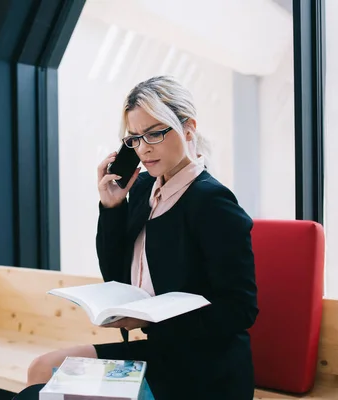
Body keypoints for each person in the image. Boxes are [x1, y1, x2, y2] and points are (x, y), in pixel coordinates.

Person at [26, 76, 258, 399]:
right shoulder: (143, 189)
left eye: (154, 133)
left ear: (188, 128)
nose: (144, 148)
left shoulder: (213, 202)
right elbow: (117, 278)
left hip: (204, 370)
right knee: (42, 368)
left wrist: (151, 321)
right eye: (134, 138)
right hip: (159, 353)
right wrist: (111, 207)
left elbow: (240, 309)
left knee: (42, 394)